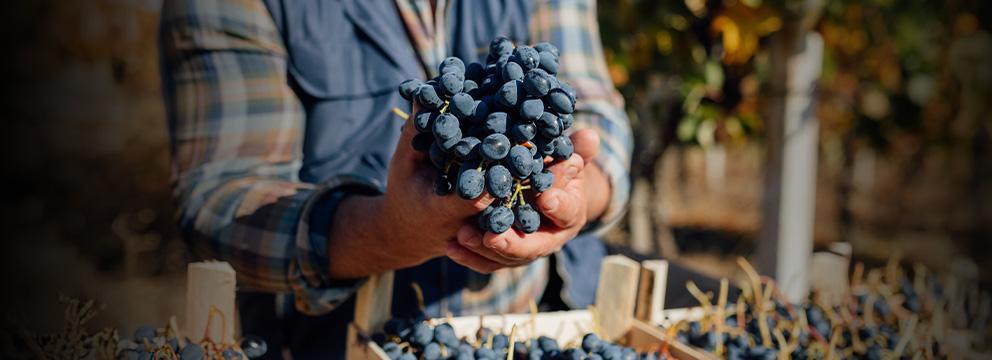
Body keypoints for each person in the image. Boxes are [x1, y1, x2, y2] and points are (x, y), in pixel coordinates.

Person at [160, 0, 712, 357]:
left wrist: (581, 193)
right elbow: (219, 202)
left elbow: (593, 111)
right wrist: (386, 231)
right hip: (334, 342)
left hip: (530, 330)